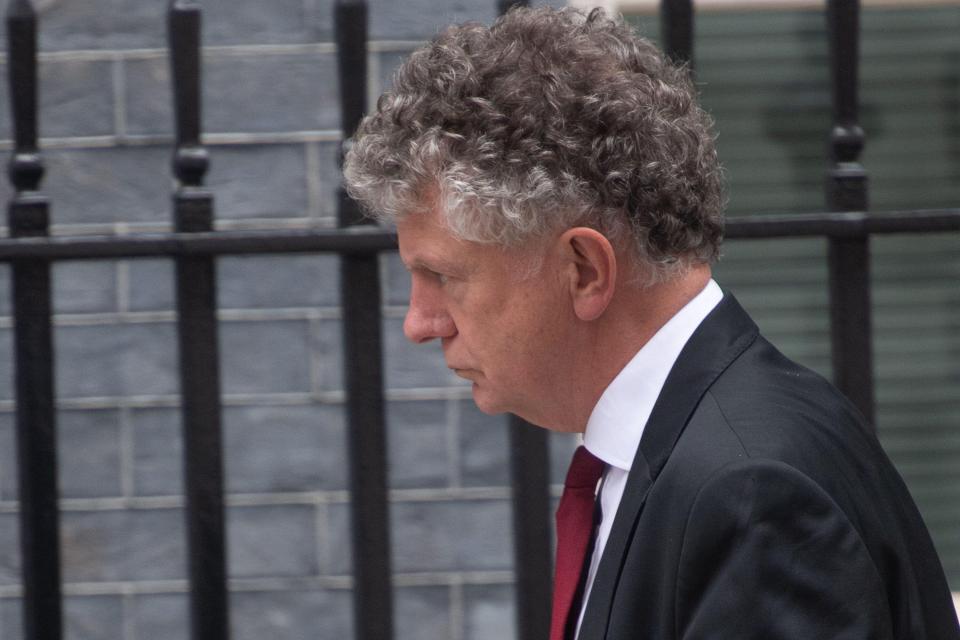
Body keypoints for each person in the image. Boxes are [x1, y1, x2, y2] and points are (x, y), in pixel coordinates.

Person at [343, 6, 960, 639]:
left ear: (584, 270)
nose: (419, 322)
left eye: (443, 276)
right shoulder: (698, 449)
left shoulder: (748, 494)